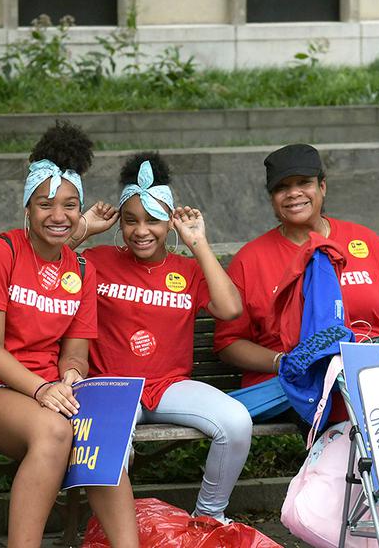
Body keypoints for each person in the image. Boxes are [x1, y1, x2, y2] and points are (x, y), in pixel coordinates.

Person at [0, 122, 135, 547]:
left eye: (70, 205)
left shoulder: (81, 269)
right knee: (54, 432)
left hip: (49, 394)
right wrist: (41, 390)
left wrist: (70, 375)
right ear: (27, 210)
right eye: (45, 205)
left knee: (100, 439)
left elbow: (75, 354)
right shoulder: (1, 253)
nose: (59, 216)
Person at [71, 152, 251, 525]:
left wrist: (198, 243)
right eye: (131, 220)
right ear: (119, 222)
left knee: (236, 422)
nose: (141, 231)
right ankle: (109, 530)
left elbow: (231, 308)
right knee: (110, 449)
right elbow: (40, 260)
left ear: (170, 222)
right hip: (112, 386)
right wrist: (84, 230)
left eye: (153, 220)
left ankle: (208, 517)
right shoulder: (98, 259)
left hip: (169, 386)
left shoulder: (186, 269)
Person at [214, 144, 379, 408]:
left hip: (373, 373)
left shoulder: (365, 241)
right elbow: (228, 342)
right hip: (293, 385)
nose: (293, 193)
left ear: (322, 187)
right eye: (282, 187)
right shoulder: (251, 260)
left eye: (303, 183)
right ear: (272, 198)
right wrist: (282, 362)